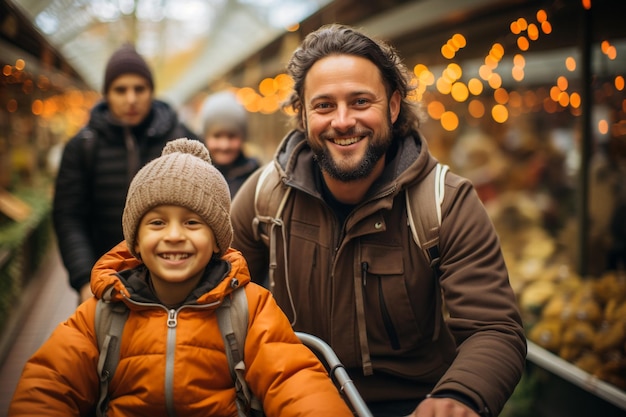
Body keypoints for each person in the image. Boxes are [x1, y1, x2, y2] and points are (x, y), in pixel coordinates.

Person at [88, 24, 527, 417]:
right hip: (282, 392)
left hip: (409, 402)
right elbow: (196, 285)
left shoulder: (444, 202)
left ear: (394, 105)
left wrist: (462, 396)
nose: (342, 121)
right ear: (301, 113)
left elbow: (494, 329)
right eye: (323, 105)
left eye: (360, 102)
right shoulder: (264, 197)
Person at [9, 138, 353, 417]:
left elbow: (293, 379)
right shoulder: (102, 313)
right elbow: (50, 384)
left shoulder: (249, 309)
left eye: (192, 223)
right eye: (157, 222)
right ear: (137, 242)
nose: (174, 235)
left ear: (217, 240)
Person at [53, 43, 200, 304]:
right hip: (104, 286)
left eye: (139, 89)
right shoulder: (83, 147)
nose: (131, 99)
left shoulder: (183, 141)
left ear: (151, 92)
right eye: (120, 90)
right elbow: (69, 216)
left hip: (172, 286)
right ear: (107, 94)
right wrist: (85, 279)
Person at [199, 90, 260, 197]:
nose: (224, 145)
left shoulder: (255, 177)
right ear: (205, 137)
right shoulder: (195, 176)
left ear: (242, 137)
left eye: (232, 136)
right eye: (217, 136)